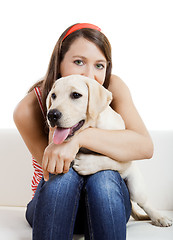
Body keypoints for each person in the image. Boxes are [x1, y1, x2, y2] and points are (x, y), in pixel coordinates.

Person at [13, 23, 153, 240]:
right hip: (54, 201)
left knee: (104, 177)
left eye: (99, 65)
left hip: (106, 203)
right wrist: (64, 135)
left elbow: (144, 147)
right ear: (59, 62)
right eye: (78, 62)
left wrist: (82, 138)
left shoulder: (109, 88)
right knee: (65, 177)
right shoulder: (29, 108)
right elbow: (57, 165)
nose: (90, 74)